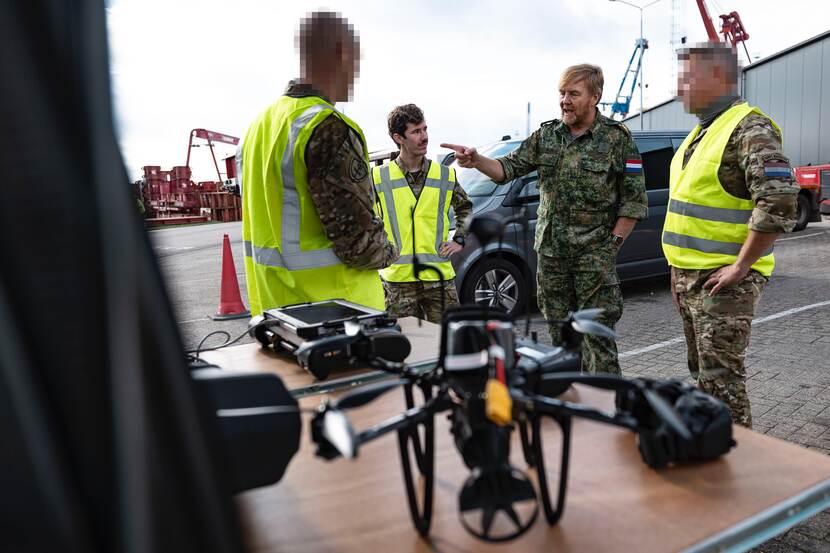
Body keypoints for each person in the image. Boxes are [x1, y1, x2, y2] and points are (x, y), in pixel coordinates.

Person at [442, 64, 647, 374]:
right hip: (551, 259)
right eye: (562, 93)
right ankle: (567, 404)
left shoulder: (617, 140)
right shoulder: (547, 136)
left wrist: (610, 249)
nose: (564, 100)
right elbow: (506, 169)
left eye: (573, 94)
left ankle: (607, 409)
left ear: (595, 97)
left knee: (597, 343)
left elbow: (634, 201)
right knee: (560, 341)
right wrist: (476, 161)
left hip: (594, 260)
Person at [663, 43, 798, 428]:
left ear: (718, 78)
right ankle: (711, 456)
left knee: (722, 385)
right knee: (702, 379)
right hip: (690, 277)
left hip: (724, 281)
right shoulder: (701, 134)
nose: (679, 88)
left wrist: (742, 266)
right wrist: (676, 271)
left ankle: (740, 467)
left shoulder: (750, 128)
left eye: (686, 78)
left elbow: (779, 201)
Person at [239, 11, 398, 315]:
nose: (356, 72)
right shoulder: (327, 126)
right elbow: (360, 246)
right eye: (357, 60)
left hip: (276, 317)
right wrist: (392, 252)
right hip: (340, 319)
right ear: (342, 52)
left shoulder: (258, 127)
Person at [372, 104, 473, 323]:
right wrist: (380, 249)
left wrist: (460, 239)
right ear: (398, 137)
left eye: (425, 129)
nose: (424, 137)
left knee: (450, 341)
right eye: (416, 131)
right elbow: (366, 219)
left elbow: (465, 208)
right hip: (397, 281)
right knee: (404, 346)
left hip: (439, 278)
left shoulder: (445, 175)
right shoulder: (378, 178)